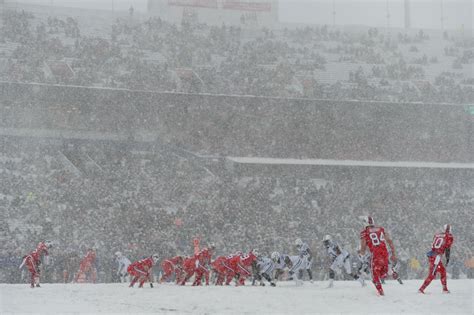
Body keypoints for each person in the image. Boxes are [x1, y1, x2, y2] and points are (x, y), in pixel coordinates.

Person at [360, 216, 397, 296]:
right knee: (381, 271)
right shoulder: (381, 229)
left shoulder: (365, 232)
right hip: (385, 252)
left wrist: (361, 254)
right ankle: (389, 270)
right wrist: (393, 253)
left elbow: (363, 247)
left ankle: (381, 292)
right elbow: (390, 241)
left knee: (375, 276)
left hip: (376, 253)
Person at [419, 224, 454, 294]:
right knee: (432, 275)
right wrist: (447, 258)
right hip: (437, 257)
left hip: (433, 254)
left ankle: (445, 289)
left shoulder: (437, 235)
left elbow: (433, 245)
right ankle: (421, 289)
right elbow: (447, 249)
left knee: (443, 272)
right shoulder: (449, 236)